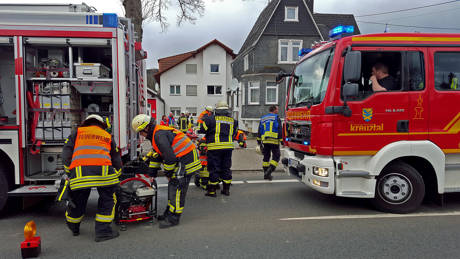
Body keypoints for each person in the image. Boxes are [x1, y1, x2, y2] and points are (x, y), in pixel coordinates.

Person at [131, 114, 201, 228]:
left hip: (186, 160)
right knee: (173, 187)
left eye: (141, 132)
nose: (141, 135)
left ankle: (174, 218)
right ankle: (169, 213)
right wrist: (152, 174)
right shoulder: (156, 134)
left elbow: (170, 157)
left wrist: (168, 173)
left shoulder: (158, 135)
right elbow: (158, 155)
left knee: (177, 188)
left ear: (146, 128)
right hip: (182, 158)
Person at [61, 114, 122, 242]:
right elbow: (116, 158)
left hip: (80, 174)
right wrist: (117, 173)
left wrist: (70, 172)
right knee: (108, 200)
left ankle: (73, 226)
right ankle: (103, 232)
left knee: (78, 200)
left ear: (86, 123)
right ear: (101, 125)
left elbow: (66, 154)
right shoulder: (107, 135)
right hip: (104, 175)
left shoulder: (76, 133)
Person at [198, 101, 238, 197]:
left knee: (214, 168)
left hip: (214, 147)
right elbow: (234, 133)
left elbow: (201, 130)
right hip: (228, 147)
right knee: (226, 168)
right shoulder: (233, 121)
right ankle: (226, 190)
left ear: (217, 110)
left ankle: (212, 191)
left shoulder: (210, 119)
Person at [257, 106, 282, 181]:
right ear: (274, 110)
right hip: (274, 140)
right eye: (277, 109)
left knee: (266, 157)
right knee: (276, 156)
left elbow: (260, 129)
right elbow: (279, 129)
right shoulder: (276, 117)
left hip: (265, 141)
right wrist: (281, 139)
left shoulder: (263, 118)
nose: (278, 110)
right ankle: (269, 172)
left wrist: (259, 141)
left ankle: (266, 174)